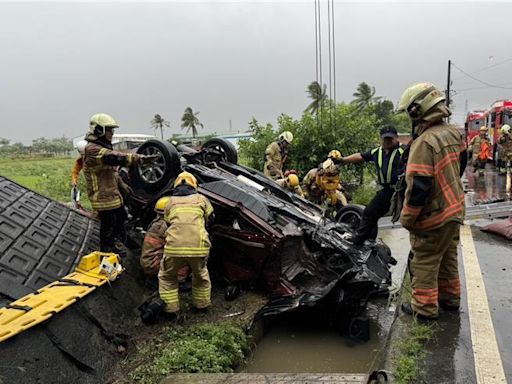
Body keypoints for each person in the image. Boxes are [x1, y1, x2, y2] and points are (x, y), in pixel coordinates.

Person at [396, 82, 465, 321]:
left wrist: (407, 217)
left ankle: (424, 310)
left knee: (425, 259)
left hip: (434, 217)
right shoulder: (454, 132)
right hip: (454, 210)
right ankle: (450, 300)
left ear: (417, 111)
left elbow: (419, 188)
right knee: (447, 256)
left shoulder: (423, 143)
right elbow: (461, 166)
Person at [83, 113, 155, 253]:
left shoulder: (103, 147)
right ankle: (107, 249)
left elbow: (112, 173)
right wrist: (139, 159)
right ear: (99, 130)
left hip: (112, 195)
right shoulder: (93, 149)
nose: (112, 133)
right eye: (109, 130)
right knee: (108, 224)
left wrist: (123, 186)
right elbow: (115, 158)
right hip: (102, 197)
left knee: (121, 217)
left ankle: (124, 240)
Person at [159, 172, 214, 318]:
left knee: (167, 277)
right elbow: (211, 220)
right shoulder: (202, 199)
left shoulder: (170, 202)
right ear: (194, 185)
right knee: (200, 275)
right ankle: (201, 306)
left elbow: (167, 223)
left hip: (174, 247)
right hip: (199, 246)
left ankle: (171, 310)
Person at [338, 126, 407, 244]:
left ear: (396, 138)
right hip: (387, 192)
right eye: (385, 139)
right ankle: (366, 240)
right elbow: (361, 156)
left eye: (390, 138)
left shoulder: (404, 151)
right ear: (381, 139)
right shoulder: (377, 152)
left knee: (411, 218)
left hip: (403, 190)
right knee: (370, 213)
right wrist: (342, 160)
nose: (388, 141)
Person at [140, 196, 190, 283]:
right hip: (153, 265)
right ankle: (178, 280)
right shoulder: (165, 226)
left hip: (149, 263)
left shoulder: (157, 223)